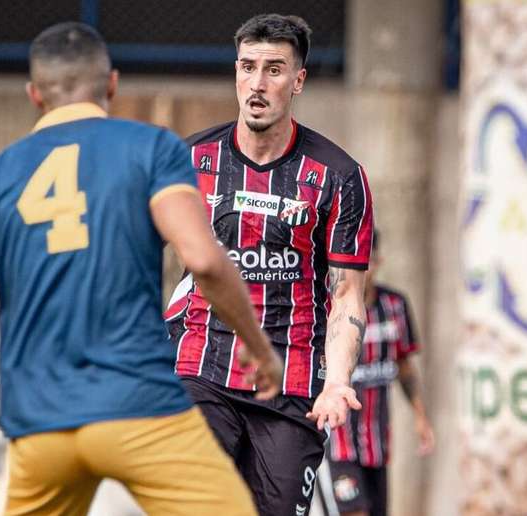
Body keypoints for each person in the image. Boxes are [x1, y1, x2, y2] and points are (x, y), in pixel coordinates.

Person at [0, 22, 284, 516]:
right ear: (111, 84)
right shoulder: (153, 150)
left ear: (34, 95)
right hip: (141, 408)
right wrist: (261, 351)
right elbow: (205, 259)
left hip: (40, 424)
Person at [165, 13, 374, 516]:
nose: (257, 84)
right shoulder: (189, 161)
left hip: (293, 386)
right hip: (202, 369)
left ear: (298, 80)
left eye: (274, 70)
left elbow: (347, 294)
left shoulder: (339, 176)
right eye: (247, 67)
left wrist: (338, 381)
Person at [315, 231, 435, 516]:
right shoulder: (327, 306)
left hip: (378, 443)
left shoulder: (395, 306)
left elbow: (404, 366)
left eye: (367, 261)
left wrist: (420, 416)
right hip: (338, 442)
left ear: (378, 261)